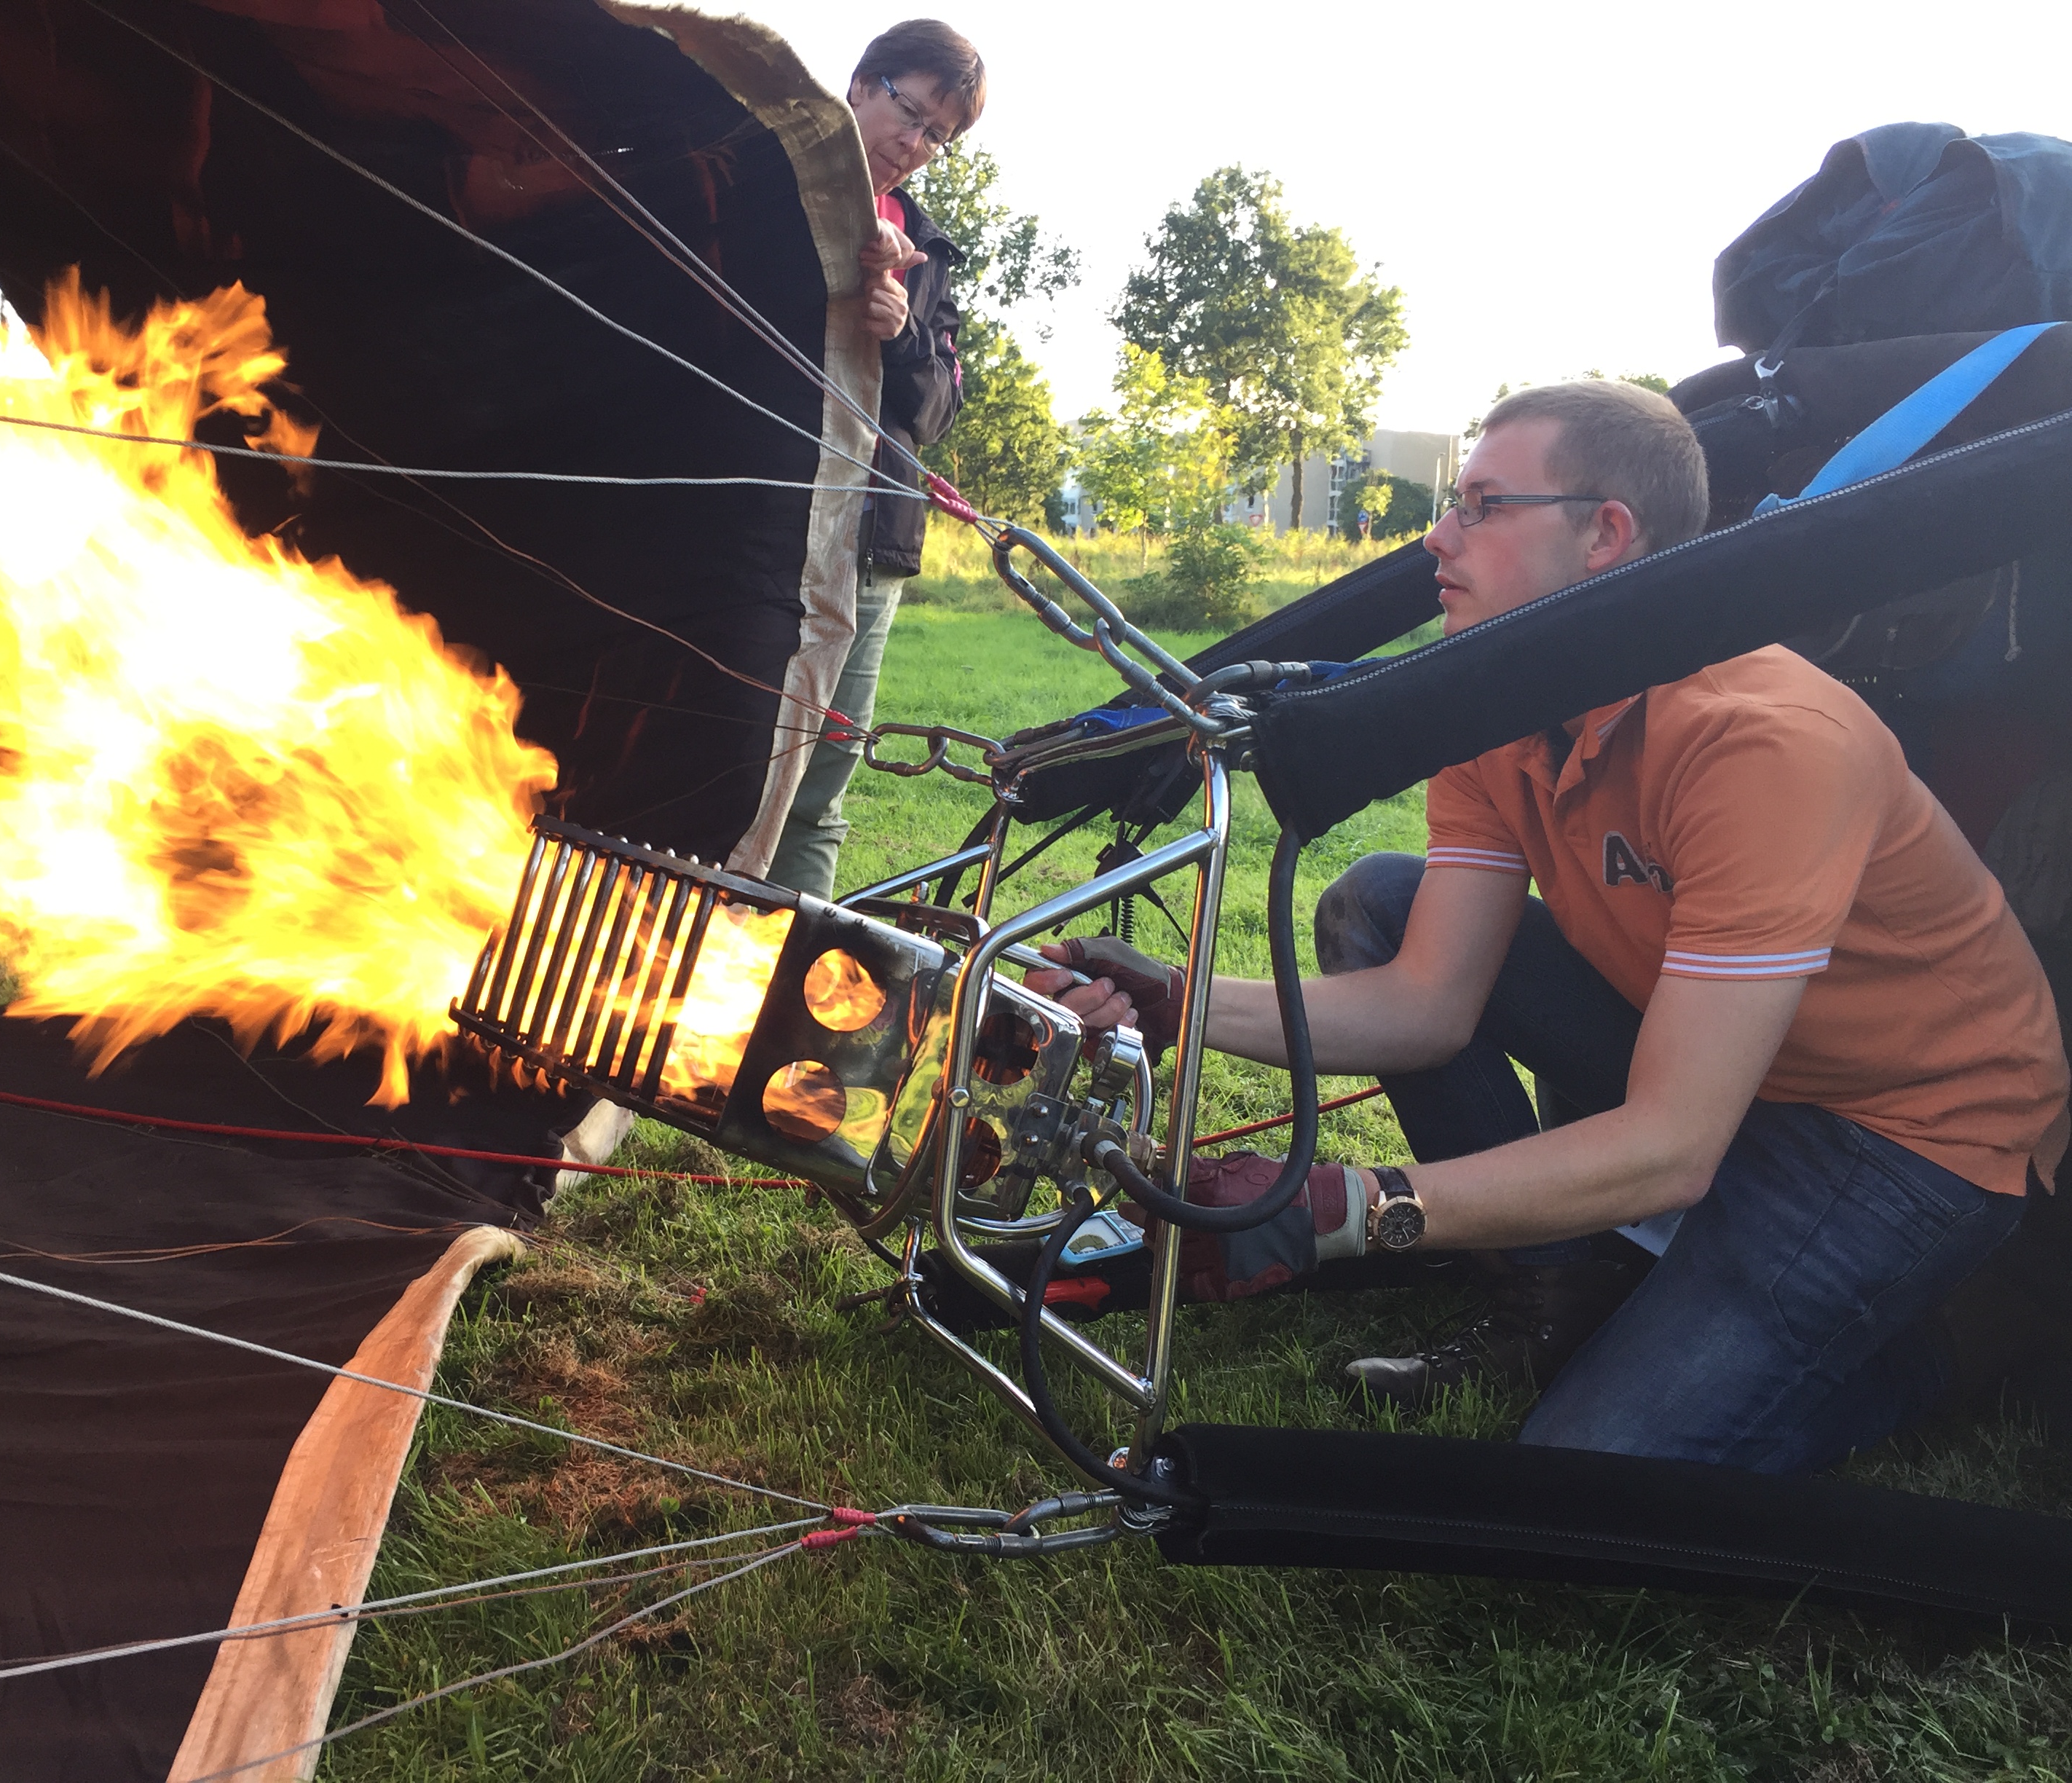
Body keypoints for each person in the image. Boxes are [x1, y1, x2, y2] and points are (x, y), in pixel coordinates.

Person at [1025, 379, 2070, 1473]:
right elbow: (1428, 1004)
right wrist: (1177, 1001)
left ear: (1606, 535)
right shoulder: (1498, 707)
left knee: (1594, 1462)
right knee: (1382, 902)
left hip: (1902, 1128)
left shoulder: (1763, 741)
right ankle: (1556, 1286)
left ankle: (1964, 1336)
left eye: (1483, 506)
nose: (1437, 537)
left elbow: (1672, 1146)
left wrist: (1347, 1208)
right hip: (1716, 1057)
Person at [766, 20, 982, 900]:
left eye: (939, 135)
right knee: (727, 754)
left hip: (870, 550)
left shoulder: (927, 252)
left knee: (820, 789)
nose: (916, 143)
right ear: (860, 84)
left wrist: (901, 331)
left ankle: (781, 967)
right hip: (764, 522)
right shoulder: (767, 180)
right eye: (911, 111)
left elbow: (938, 409)